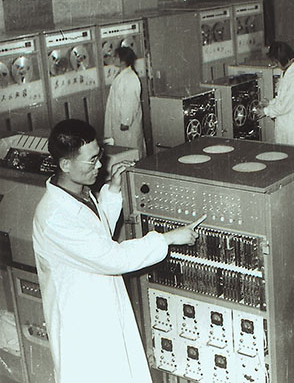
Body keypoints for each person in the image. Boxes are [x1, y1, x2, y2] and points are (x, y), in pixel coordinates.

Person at [32, 119, 199, 383]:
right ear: (65, 164)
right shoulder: (55, 217)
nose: (100, 165)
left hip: (100, 308)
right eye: (91, 161)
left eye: (98, 157)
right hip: (81, 325)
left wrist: (113, 190)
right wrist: (168, 239)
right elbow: (111, 257)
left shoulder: (79, 192)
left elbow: (97, 236)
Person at [257, 41, 294, 147]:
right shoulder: (286, 72)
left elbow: (284, 106)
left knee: (293, 152)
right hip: (286, 124)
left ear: (285, 59)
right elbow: (283, 97)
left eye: (276, 62)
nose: (276, 65)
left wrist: (265, 111)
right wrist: (270, 103)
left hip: (293, 128)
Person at [104, 46, 146, 158]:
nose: (113, 58)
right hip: (119, 124)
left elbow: (130, 102)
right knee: (122, 153)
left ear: (123, 60)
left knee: (130, 154)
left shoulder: (131, 78)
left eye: (115, 56)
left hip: (126, 127)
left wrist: (125, 122)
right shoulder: (122, 75)